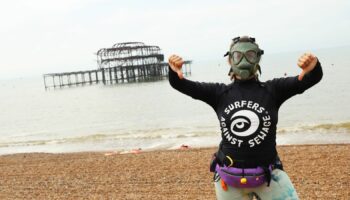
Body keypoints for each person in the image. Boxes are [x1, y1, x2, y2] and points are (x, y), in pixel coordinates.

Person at [168, 36, 323, 200]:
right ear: (230, 60)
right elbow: (181, 84)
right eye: (237, 56)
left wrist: (313, 66)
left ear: (257, 58)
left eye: (249, 55)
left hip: (268, 175)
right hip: (229, 177)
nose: (243, 61)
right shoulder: (219, 93)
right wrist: (173, 70)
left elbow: (309, 79)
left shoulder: (273, 90)